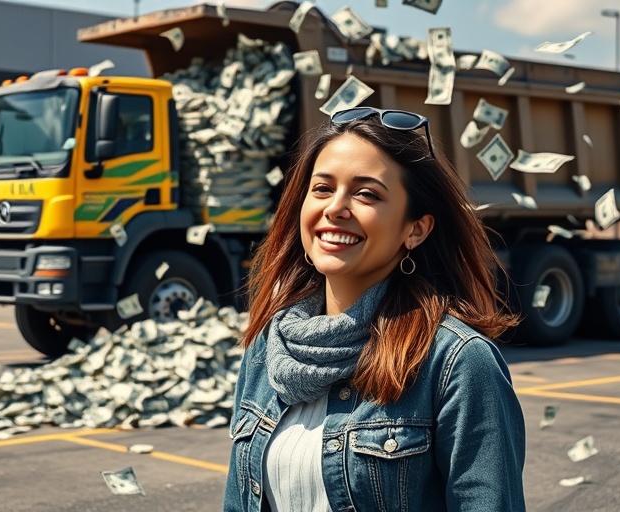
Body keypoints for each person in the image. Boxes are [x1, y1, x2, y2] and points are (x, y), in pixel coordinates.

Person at [223, 107, 526, 511]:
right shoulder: (267, 348)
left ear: (415, 229)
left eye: (366, 193)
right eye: (322, 188)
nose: (336, 208)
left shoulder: (456, 362)